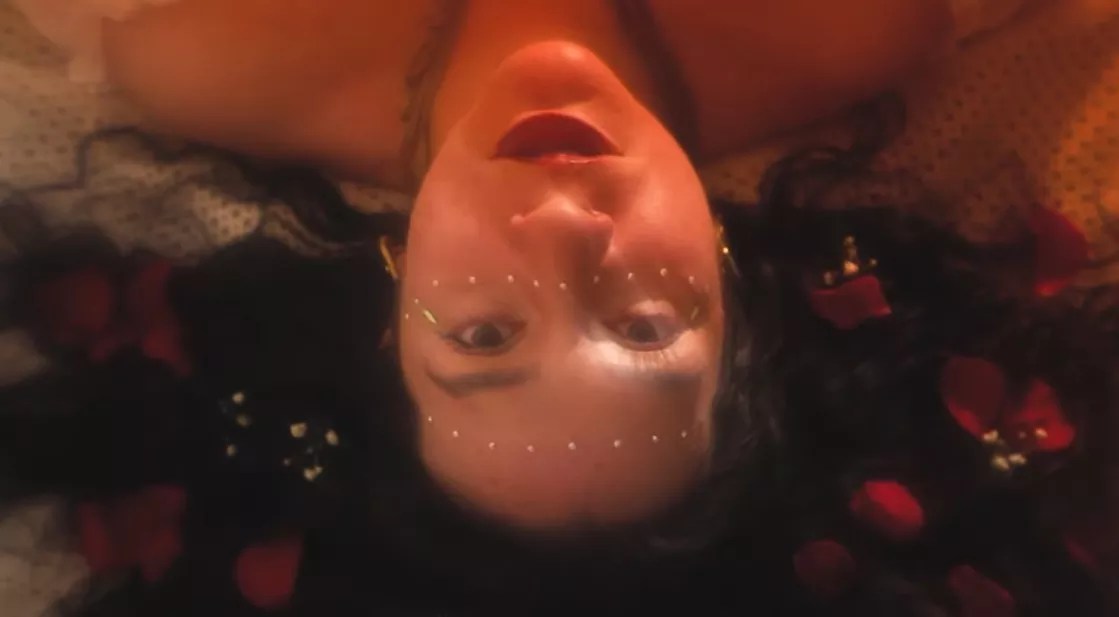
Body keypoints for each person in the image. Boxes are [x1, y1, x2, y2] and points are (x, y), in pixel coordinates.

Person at [1, 0, 1116, 614]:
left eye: (486, 335)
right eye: (645, 324)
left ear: (395, 306)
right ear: (727, 274)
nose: (562, 231)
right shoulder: (861, 20)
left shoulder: (195, 48)